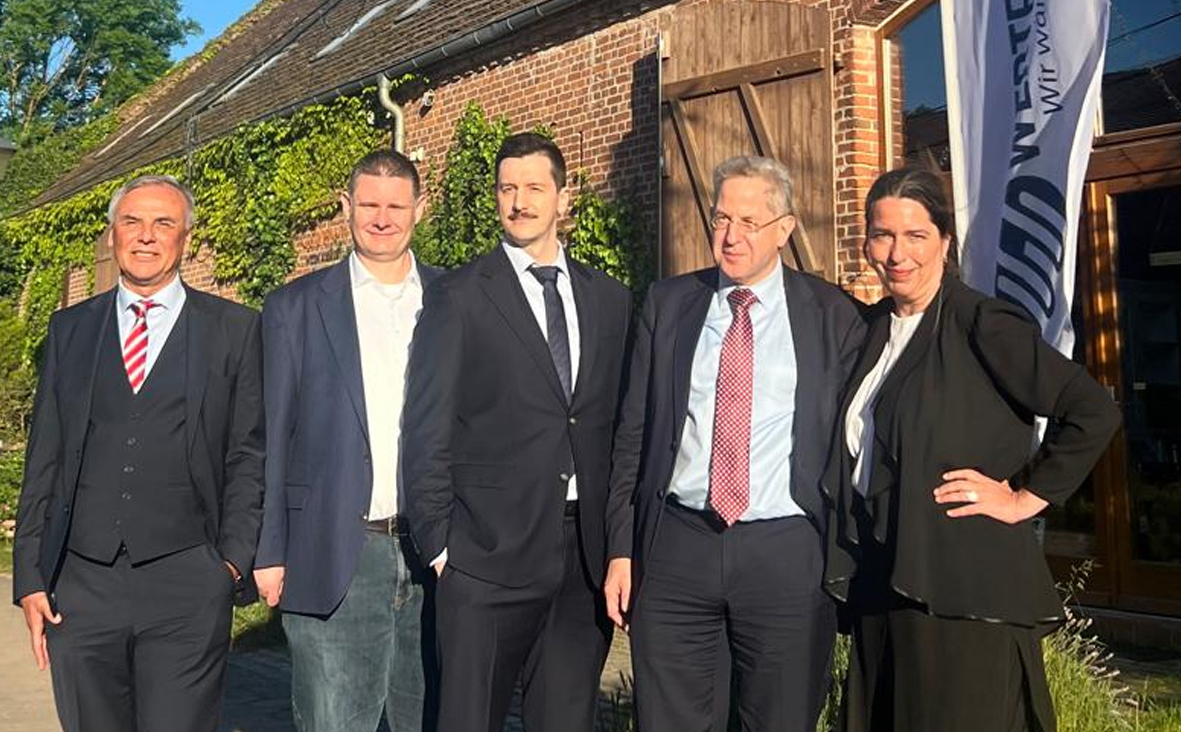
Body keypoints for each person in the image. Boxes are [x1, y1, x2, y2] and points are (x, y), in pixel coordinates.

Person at [823, 167, 1121, 732]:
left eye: (915, 235)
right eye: (883, 235)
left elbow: (1091, 411)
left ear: (944, 242)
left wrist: (1023, 496)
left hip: (962, 589)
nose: (897, 254)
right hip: (884, 581)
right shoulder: (871, 331)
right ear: (866, 243)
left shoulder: (981, 322)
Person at [605, 155, 865, 732]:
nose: (730, 235)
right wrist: (621, 548)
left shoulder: (832, 316)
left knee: (780, 718)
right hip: (677, 548)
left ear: (785, 229)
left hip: (787, 552)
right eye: (722, 218)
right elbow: (633, 435)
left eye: (749, 222)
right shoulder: (669, 305)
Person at [12, 175, 265, 732]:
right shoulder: (70, 329)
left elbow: (247, 455)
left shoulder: (235, 330)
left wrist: (229, 563)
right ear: (113, 235)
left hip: (188, 579)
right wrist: (29, 575)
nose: (146, 235)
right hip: (81, 584)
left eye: (163, 223)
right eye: (132, 221)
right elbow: (45, 457)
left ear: (186, 238)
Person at [401, 132, 633, 732]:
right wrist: (441, 548)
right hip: (485, 558)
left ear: (563, 198)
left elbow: (616, 426)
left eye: (534, 188)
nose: (520, 202)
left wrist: (617, 542)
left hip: (582, 559)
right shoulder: (458, 296)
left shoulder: (609, 301)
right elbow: (425, 428)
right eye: (507, 189)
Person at [254, 149, 440, 732]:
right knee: (333, 721)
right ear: (345, 207)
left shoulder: (455, 298)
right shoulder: (294, 308)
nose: (382, 219)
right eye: (368, 205)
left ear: (419, 209)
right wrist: (269, 549)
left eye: (395, 207)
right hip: (335, 549)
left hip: (435, 558)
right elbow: (272, 435)